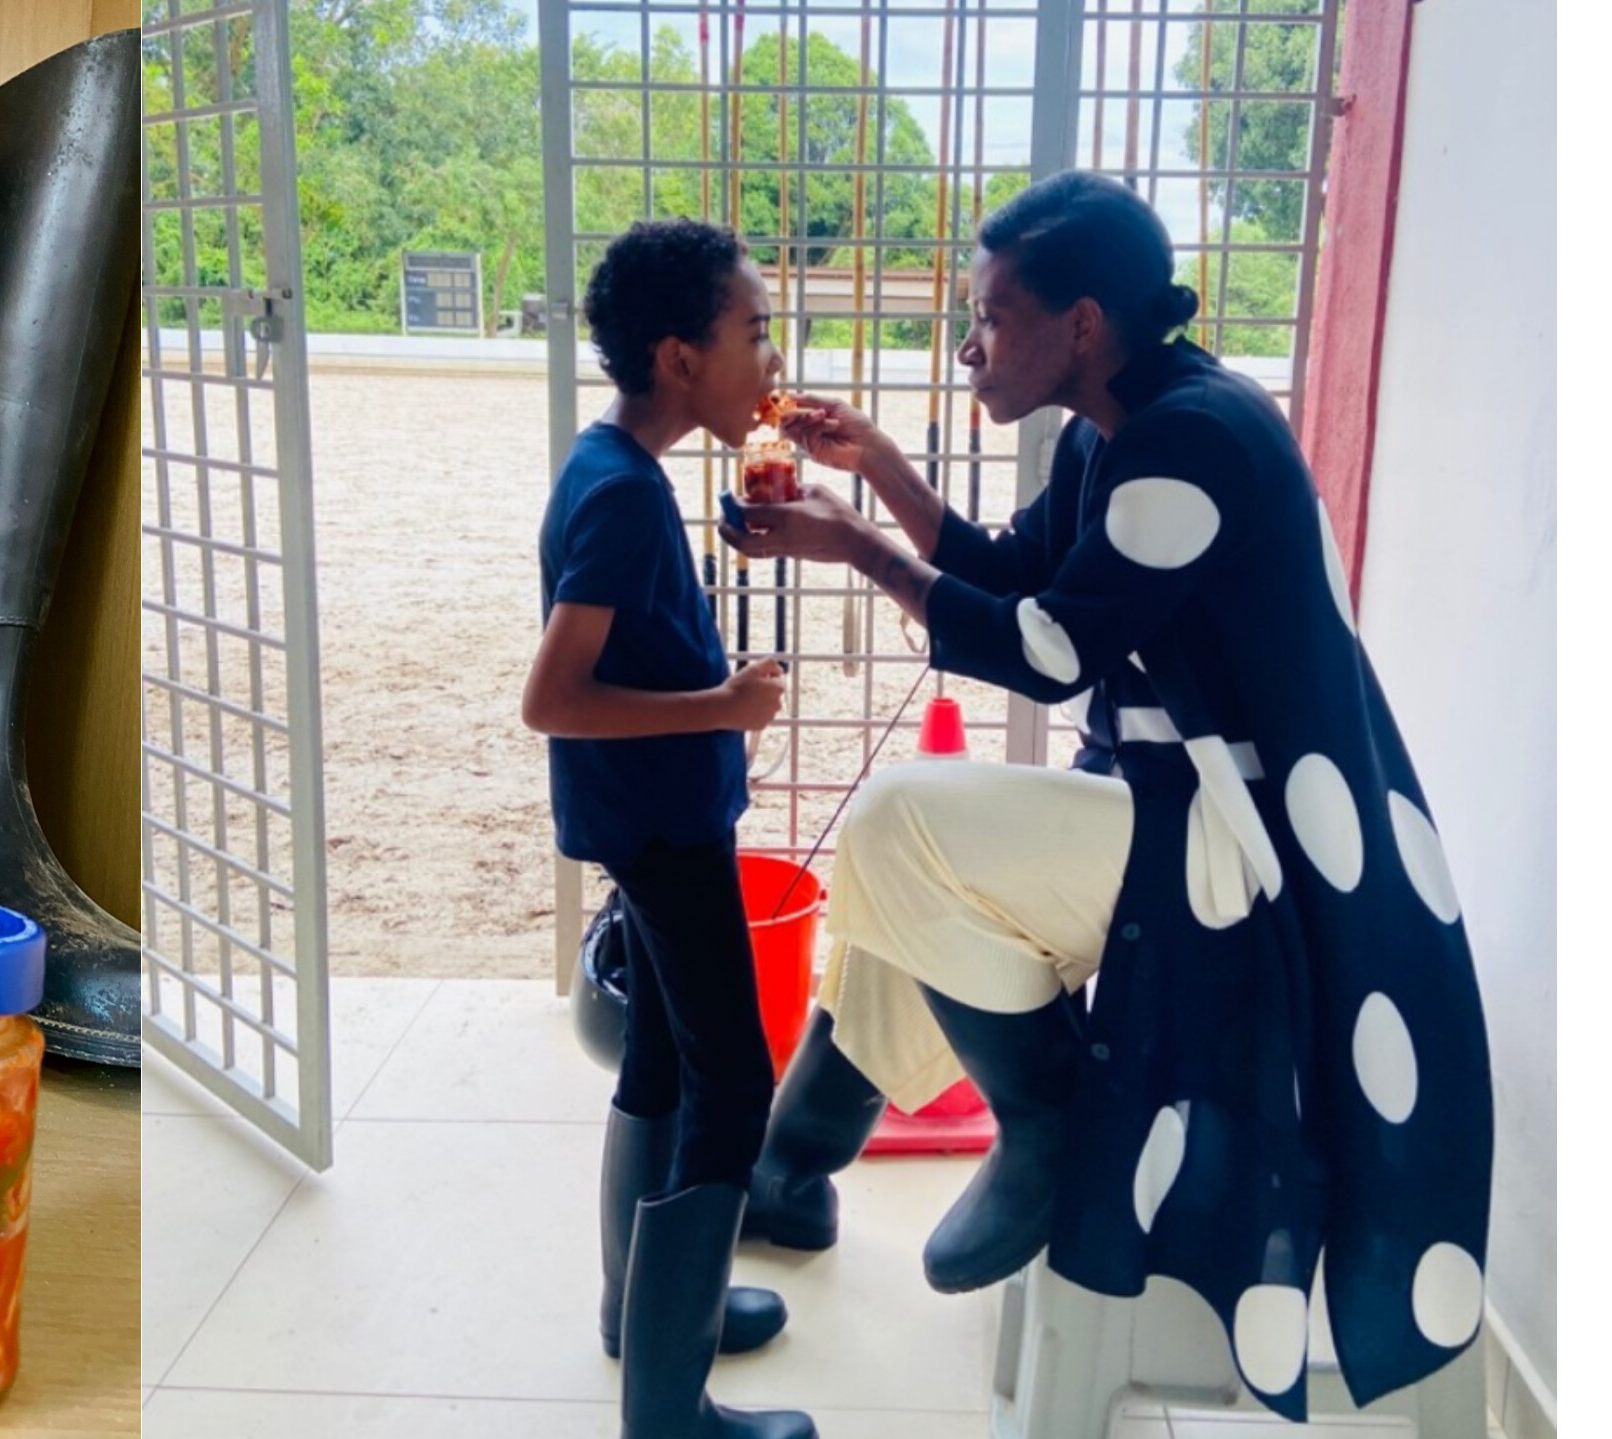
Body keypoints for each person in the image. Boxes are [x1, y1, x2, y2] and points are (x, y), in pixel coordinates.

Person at [724, 171, 1491, 1421]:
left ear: (1080, 324)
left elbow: (1047, 648)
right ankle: (790, 1171)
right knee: (899, 878)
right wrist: (879, 471)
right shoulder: (1118, 426)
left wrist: (857, 545)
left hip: (1245, 854)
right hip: (1169, 801)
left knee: (897, 824)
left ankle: (1043, 1119)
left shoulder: (1193, 440)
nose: (968, 345)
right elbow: (1016, 570)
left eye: (989, 316)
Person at [522, 217, 812, 1439]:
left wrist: (710, 685)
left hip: (651, 820)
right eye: (755, 332)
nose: (771, 358)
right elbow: (553, 697)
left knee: (661, 1058)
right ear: (680, 357)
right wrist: (723, 705)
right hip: (661, 830)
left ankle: (633, 1308)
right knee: (733, 1083)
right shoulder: (622, 497)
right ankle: (668, 1404)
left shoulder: (619, 471)